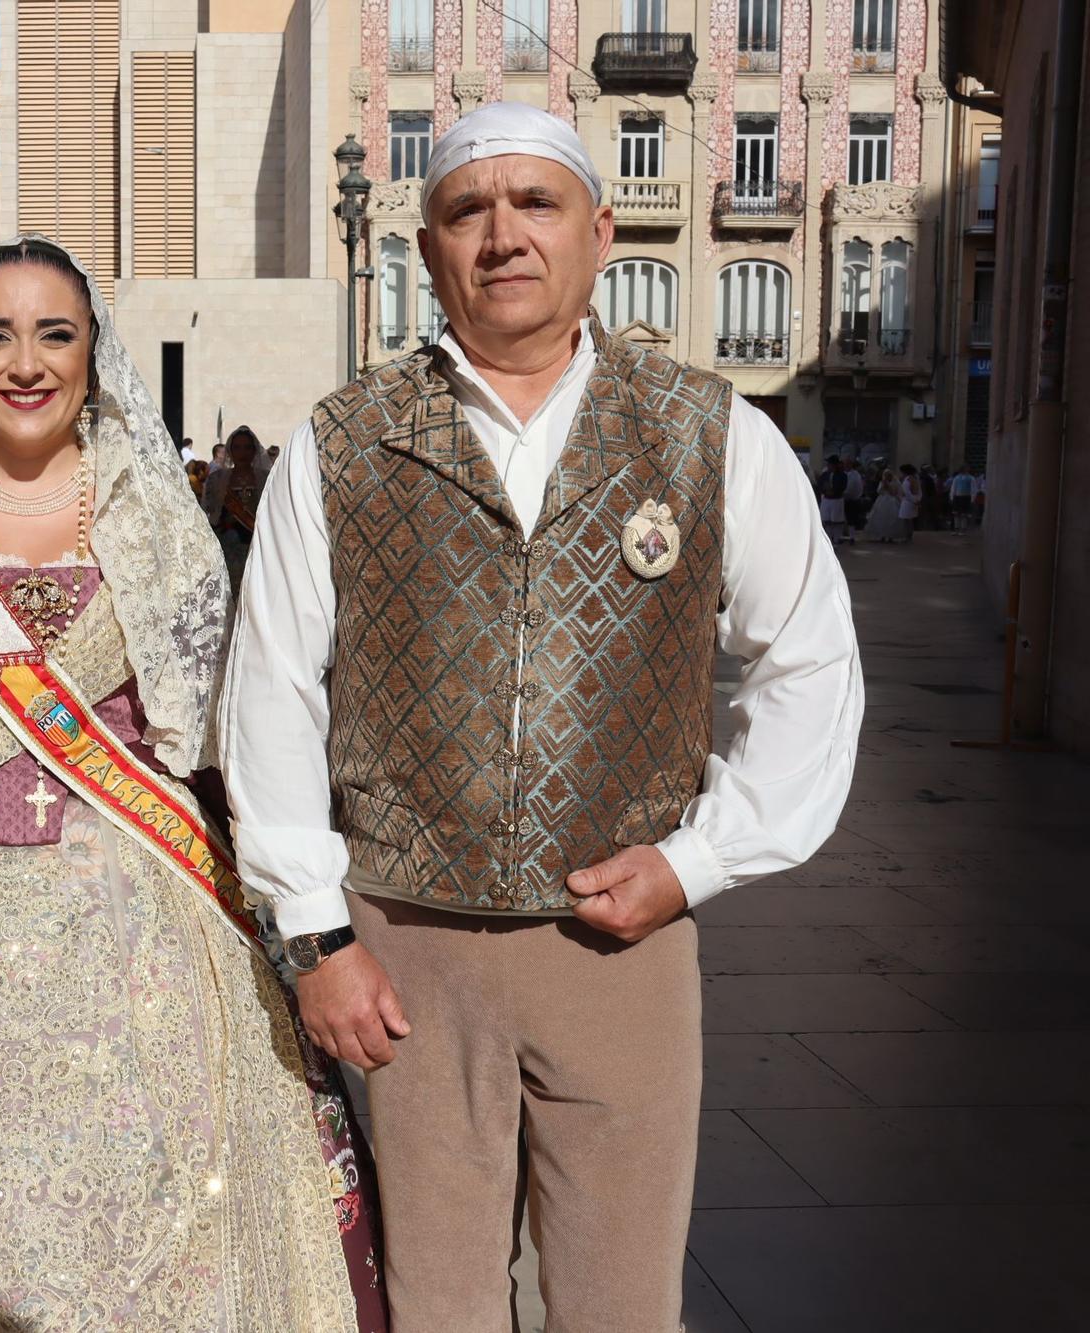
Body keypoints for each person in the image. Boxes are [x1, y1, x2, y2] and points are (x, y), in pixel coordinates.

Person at [219, 102, 864, 1331]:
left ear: (598, 232)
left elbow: (808, 660)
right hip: (403, 954)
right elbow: (270, 690)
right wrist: (314, 930)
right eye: (467, 209)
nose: (501, 235)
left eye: (535, 205)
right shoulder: (345, 444)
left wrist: (697, 860)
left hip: (614, 949)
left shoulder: (705, 432)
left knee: (618, 1298)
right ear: (426, 248)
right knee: (436, 1302)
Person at [0, 237, 372, 1330]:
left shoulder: (152, 508)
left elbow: (216, 738)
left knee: (149, 1194)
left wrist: (295, 925)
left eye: (55, 333)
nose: (25, 362)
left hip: (132, 914)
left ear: (94, 352)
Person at [204, 424, 269, 593]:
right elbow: (207, 510)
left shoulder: (266, 478)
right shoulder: (218, 478)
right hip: (227, 545)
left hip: (257, 543)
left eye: (247, 447)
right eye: (237, 447)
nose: (243, 453)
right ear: (230, 450)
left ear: (255, 450)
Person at [864, 467, 905, 542]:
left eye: (889, 475)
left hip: (892, 500)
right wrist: (884, 485)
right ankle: (882, 535)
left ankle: (890, 537)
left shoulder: (896, 482)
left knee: (892, 518)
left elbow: (896, 492)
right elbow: (879, 491)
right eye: (886, 475)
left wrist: (889, 487)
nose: (887, 476)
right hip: (882, 500)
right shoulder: (882, 482)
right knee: (881, 517)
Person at [818, 454, 850, 545]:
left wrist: (834, 492)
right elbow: (820, 484)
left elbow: (842, 486)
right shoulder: (825, 475)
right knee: (826, 520)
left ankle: (836, 539)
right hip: (827, 499)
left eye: (830, 464)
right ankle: (828, 539)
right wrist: (825, 491)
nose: (828, 466)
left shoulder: (842, 475)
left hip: (836, 500)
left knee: (836, 521)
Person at [898, 463, 923, 541]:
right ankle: (909, 535)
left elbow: (907, 493)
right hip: (913, 501)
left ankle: (907, 536)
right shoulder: (915, 479)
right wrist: (917, 499)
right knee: (910, 520)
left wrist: (913, 500)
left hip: (907, 502)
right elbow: (919, 491)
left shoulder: (907, 480)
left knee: (906, 520)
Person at [950, 465, 978, 530]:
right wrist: (952, 497)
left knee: (964, 514)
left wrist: (972, 498)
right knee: (956, 514)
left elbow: (973, 489)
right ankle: (956, 527)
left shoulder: (971, 478)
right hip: (957, 497)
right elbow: (953, 488)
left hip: (966, 497)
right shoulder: (957, 478)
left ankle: (963, 528)